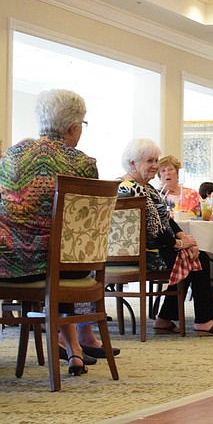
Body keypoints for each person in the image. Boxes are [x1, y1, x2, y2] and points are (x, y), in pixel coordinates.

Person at [0, 89, 117, 375]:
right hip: (67, 269)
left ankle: (74, 348)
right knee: (62, 252)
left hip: (10, 266)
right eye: (82, 125)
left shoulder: (10, 157)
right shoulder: (83, 164)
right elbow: (85, 226)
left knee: (53, 250)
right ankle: (74, 349)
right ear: (72, 127)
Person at [119, 139, 213, 336]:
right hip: (146, 253)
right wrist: (180, 244)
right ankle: (205, 321)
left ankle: (164, 319)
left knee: (190, 257)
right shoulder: (134, 189)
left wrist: (182, 237)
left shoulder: (142, 186)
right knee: (198, 259)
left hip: (146, 250)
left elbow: (166, 219)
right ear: (132, 163)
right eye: (149, 161)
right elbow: (154, 229)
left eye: (156, 160)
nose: (155, 166)